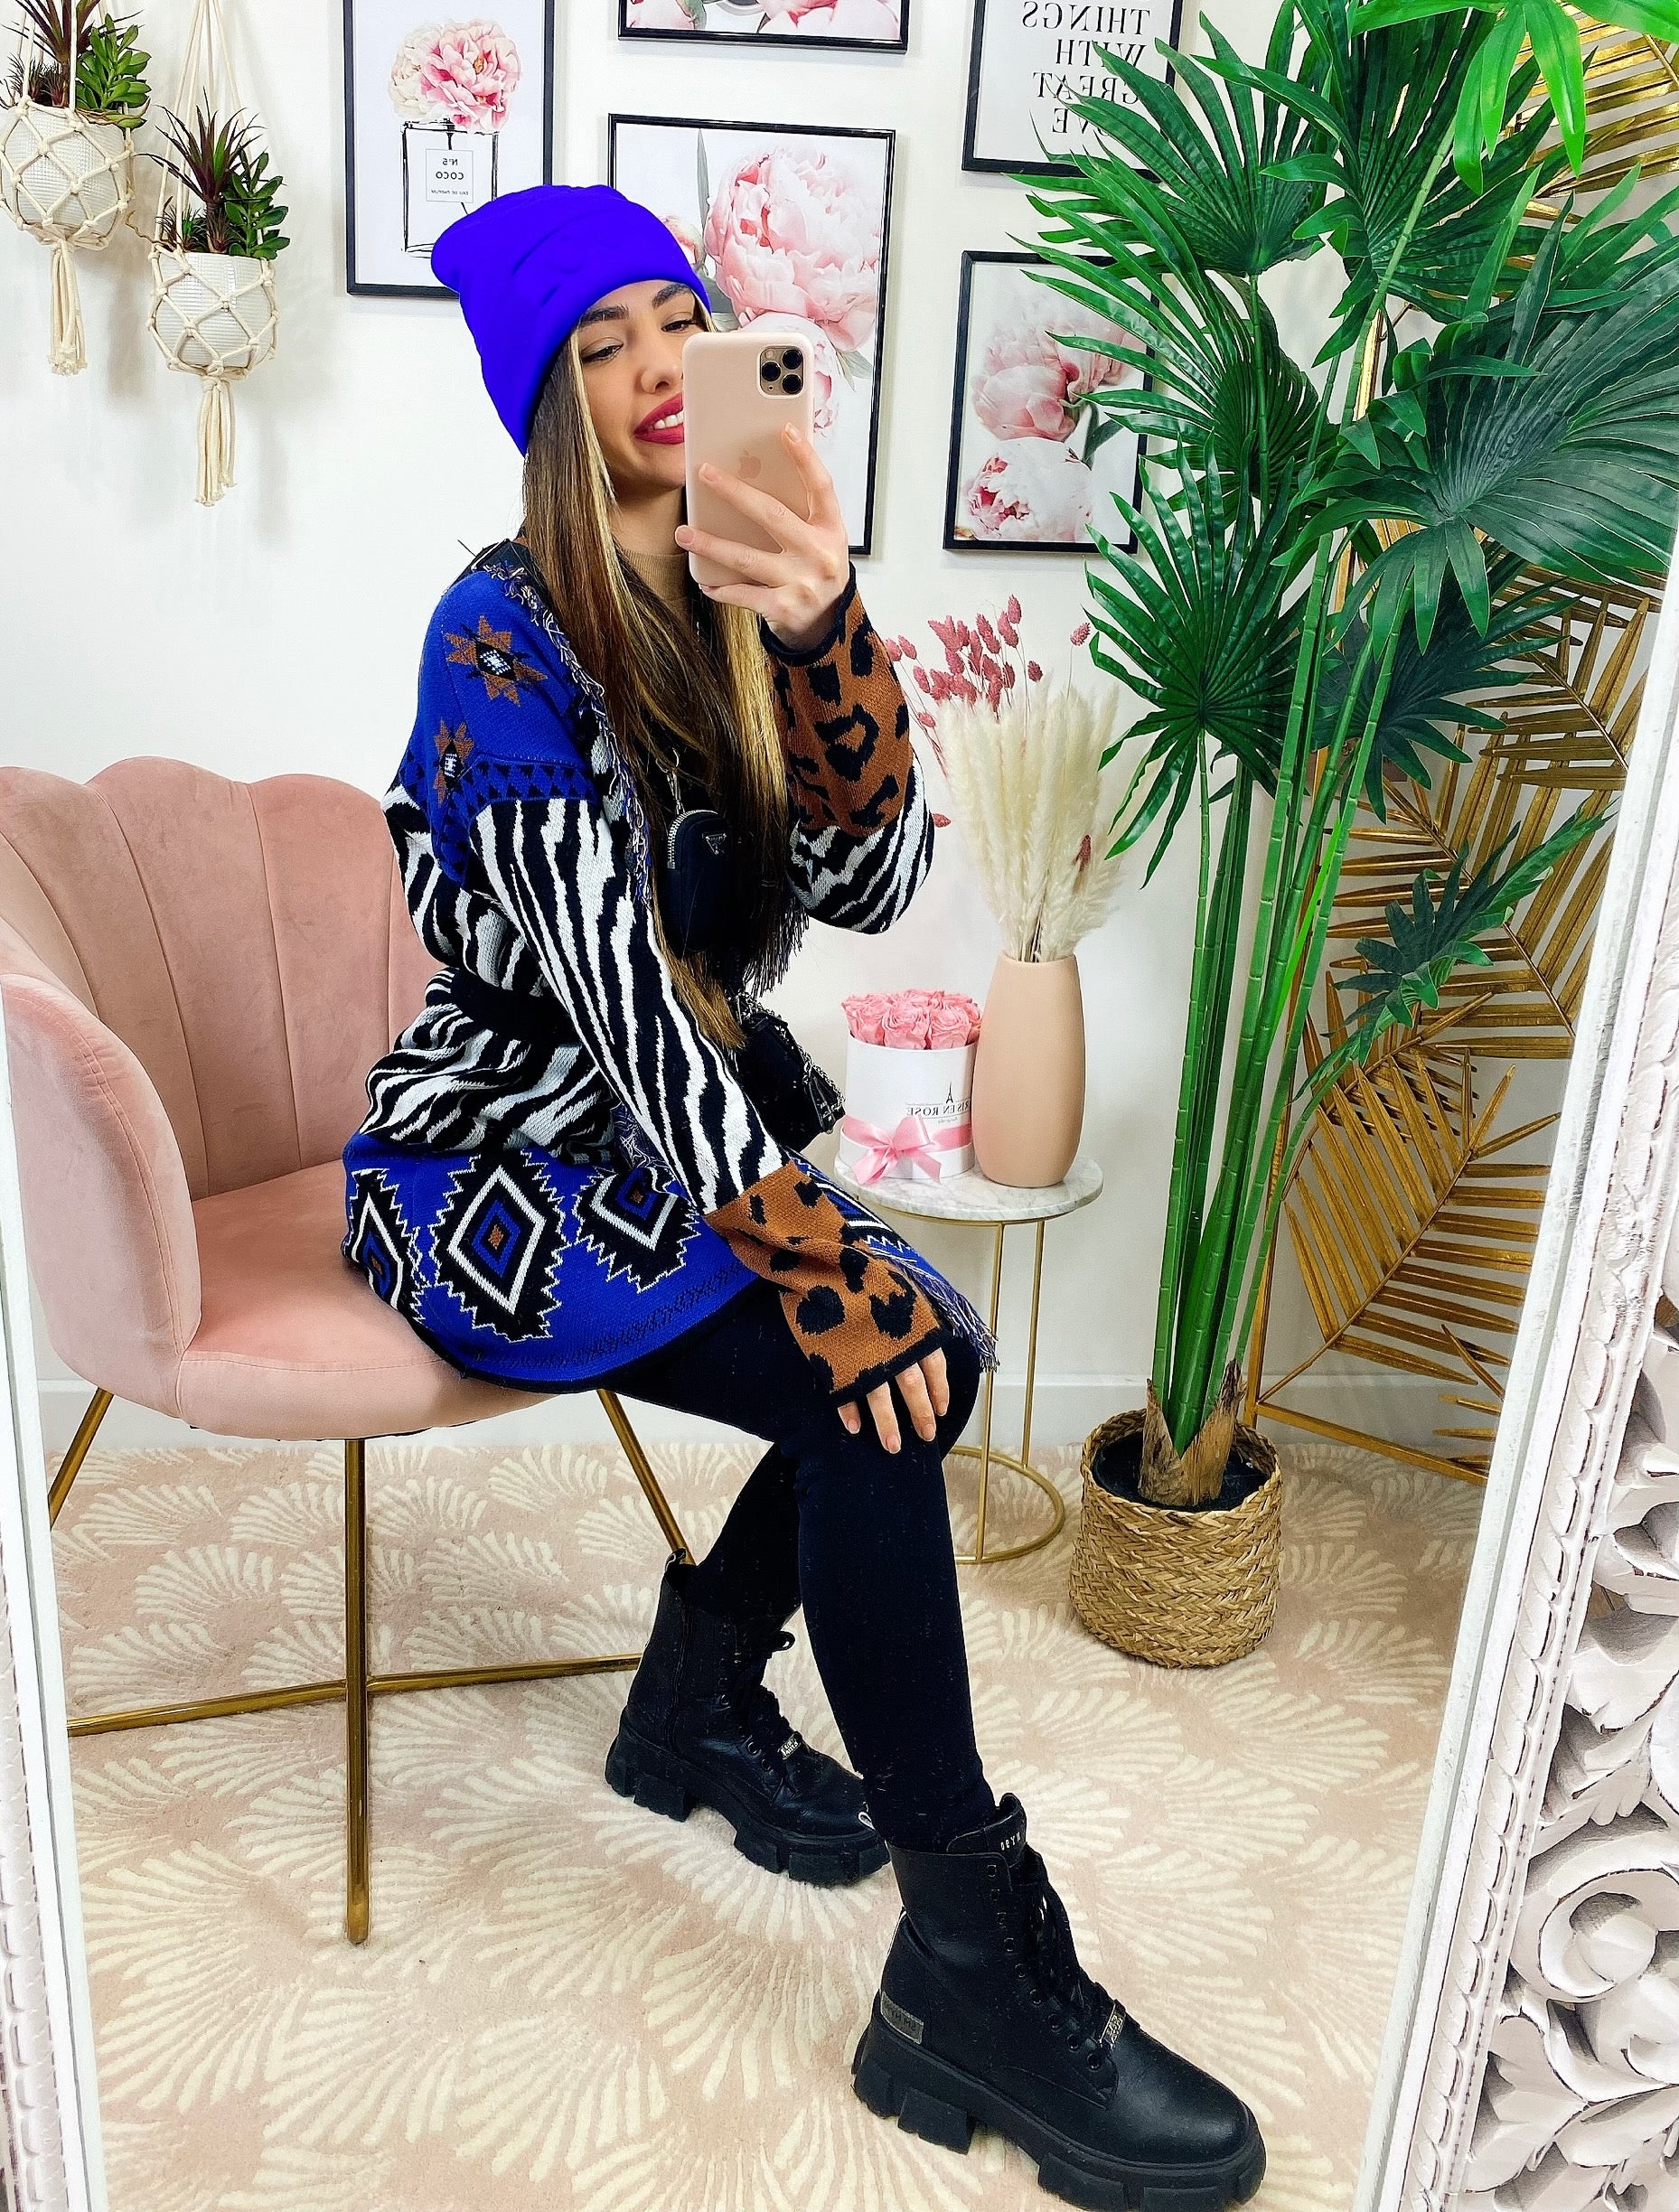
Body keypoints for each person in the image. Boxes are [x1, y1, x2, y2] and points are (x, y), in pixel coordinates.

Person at [342, 181, 1264, 2212]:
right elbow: (618, 1003)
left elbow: (866, 882)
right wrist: (825, 1263)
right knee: (882, 1378)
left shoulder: (728, 597)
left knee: (922, 1352)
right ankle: (966, 1963)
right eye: (599, 345)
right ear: (549, 408)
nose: (657, 366)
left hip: (666, 1147)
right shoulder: (493, 636)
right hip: (497, 1170)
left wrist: (823, 622)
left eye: (677, 316)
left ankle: (693, 1701)